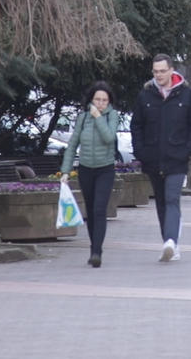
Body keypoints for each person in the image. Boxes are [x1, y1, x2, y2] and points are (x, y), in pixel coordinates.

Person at [130, 53, 191, 262]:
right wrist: (140, 151)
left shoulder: (186, 95)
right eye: (155, 71)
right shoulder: (145, 96)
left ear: (171, 70)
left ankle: (170, 240)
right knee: (161, 202)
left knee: (172, 199)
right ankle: (170, 244)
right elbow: (136, 126)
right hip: (152, 158)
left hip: (177, 159)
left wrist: (188, 150)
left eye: (162, 71)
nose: (159, 75)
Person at [60, 81, 119, 268]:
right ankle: (93, 246)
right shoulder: (83, 118)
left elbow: (109, 137)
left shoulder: (112, 116)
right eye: (97, 100)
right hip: (86, 169)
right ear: (91, 100)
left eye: (104, 100)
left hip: (105, 169)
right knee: (91, 212)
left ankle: (97, 252)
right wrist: (65, 171)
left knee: (100, 209)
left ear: (109, 102)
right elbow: (72, 144)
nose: (100, 103)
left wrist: (98, 117)